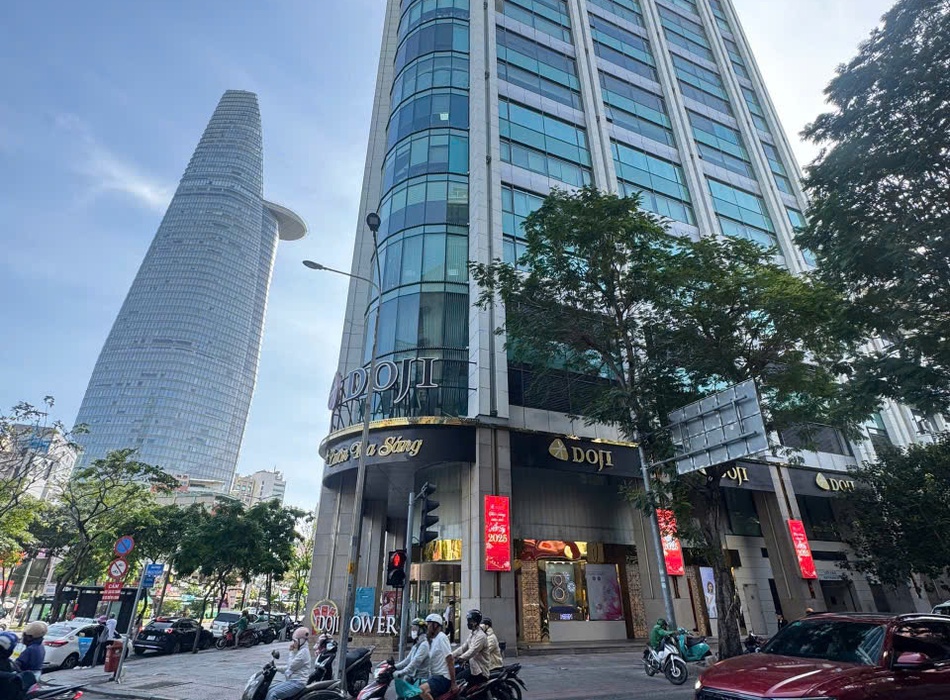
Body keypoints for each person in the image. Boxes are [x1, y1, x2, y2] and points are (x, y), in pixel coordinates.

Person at [265, 627, 313, 700]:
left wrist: (291, 652)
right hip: (292, 681)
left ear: (301, 641)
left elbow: (291, 666)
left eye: (295, 641)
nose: (293, 643)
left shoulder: (303, 653)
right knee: (270, 690)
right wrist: (276, 668)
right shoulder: (300, 651)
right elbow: (289, 667)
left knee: (273, 694)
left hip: (297, 683)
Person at [419, 614, 454, 700]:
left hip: (443, 677)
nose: (427, 627)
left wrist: (453, 683)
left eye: (429, 624)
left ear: (435, 625)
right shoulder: (432, 640)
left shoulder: (441, 638)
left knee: (422, 690)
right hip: (434, 676)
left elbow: (450, 660)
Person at [452, 609, 489, 686]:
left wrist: (460, 659)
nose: (468, 623)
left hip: (479, 670)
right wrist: (451, 655)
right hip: (471, 666)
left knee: (458, 679)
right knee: (455, 672)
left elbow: (472, 651)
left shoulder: (481, 636)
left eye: (470, 621)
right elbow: (463, 648)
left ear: (475, 622)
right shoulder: (472, 634)